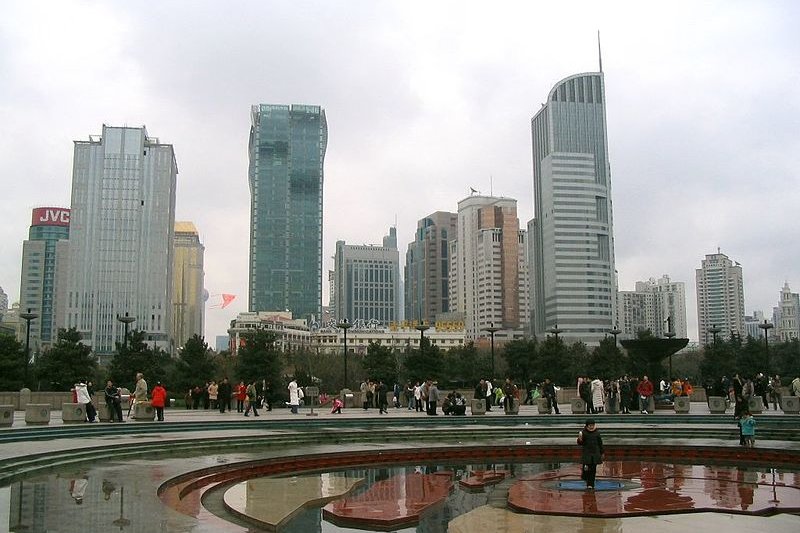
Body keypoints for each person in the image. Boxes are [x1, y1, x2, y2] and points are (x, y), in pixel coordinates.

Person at [577, 418, 604, 489]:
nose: (591, 427)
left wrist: (602, 452)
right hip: (587, 454)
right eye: (590, 425)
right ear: (587, 426)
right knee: (586, 469)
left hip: (595, 454)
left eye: (592, 425)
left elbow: (600, 443)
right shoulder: (584, 432)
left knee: (593, 470)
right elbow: (580, 443)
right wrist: (579, 439)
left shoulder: (597, 433)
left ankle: (591, 484)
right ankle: (585, 477)